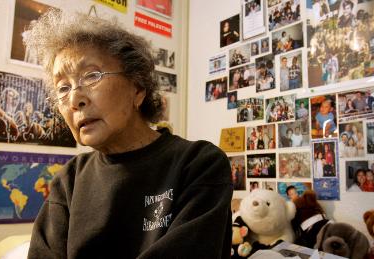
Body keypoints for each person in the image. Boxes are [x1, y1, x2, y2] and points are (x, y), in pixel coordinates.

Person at [24, 10, 233, 258]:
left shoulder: (199, 163)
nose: (74, 99)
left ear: (137, 88)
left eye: (91, 76)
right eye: (63, 87)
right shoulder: (69, 180)